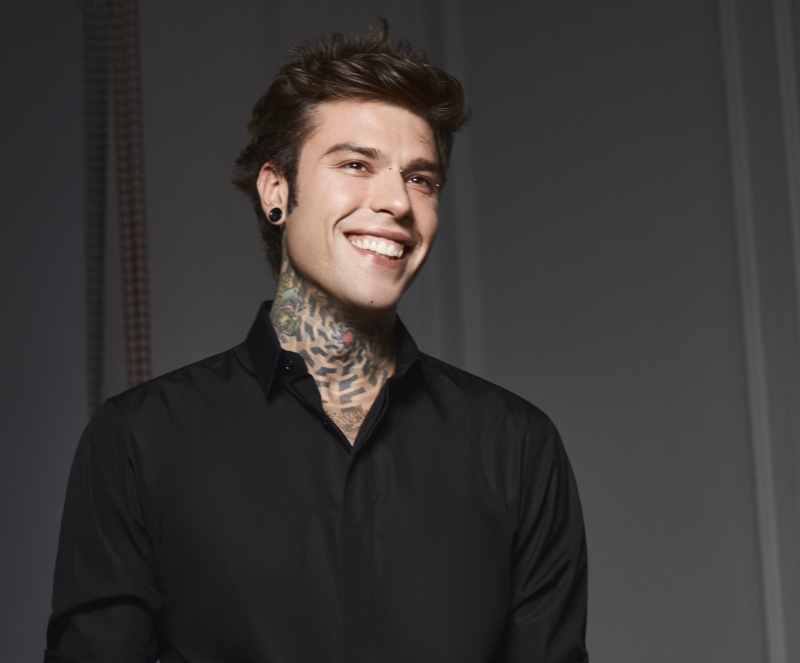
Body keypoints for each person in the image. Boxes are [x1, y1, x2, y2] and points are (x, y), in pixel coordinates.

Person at [46, 22, 588, 663]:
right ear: (276, 190)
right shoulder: (141, 441)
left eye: (421, 179)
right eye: (356, 164)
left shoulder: (518, 447)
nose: (396, 201)